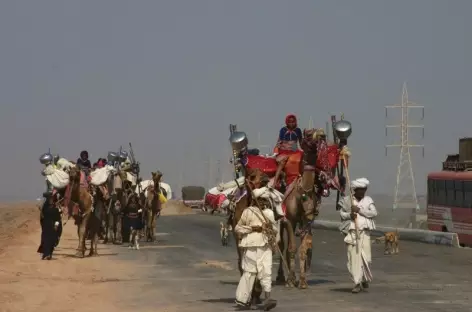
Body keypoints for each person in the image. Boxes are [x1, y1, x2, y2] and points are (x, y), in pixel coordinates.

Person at [234, 201, 278, 311]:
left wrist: (270, 227)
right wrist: (253, 228)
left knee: (266, 272)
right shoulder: (248, 212)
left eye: (265, 199)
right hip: (251, 245)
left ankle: (268, 299)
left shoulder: (269, 213)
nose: (263, 202)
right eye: (261, 199)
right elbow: (238, 228)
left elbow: (275, 230)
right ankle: (243, 300)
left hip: (265, 245)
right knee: (249, 273)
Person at [338, 177, 377, 293]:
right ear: (355, 190)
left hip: (364, 233)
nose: (363, 192)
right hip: (352, 233)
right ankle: (356, 282)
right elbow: (341, 214)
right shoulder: (347, 200)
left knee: (366, 258)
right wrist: (350, 215)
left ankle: (364, 278)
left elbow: (374, 213)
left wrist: (359, 211)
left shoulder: (368, 200)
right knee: (353, 258)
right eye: (361, 190)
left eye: (364, 189)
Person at [272, 114, 303, 188]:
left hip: (294, 151)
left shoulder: (298, 130)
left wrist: (303, 149)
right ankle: (275, 181)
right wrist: (276, 149)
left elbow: (301, 142)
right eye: (290, 122)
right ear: (287, 122)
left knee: (304, 160)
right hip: (284, 151)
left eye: (293, 122)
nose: (291, 123)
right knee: (282, 162)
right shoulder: (283, 130)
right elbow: (279, 141)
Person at [37, 195, 62, 260]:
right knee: (45, 241)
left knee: (52, 241)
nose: (51, 201)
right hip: (46, 227)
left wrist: (56, 225)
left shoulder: (56, 209)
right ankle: (45, 254)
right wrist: (41, 210)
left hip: (53, 227)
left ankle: (49, 254)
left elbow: (58, 219)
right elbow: (42, 218)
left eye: (52, 200)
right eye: (50, 200)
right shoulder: (45, 209)